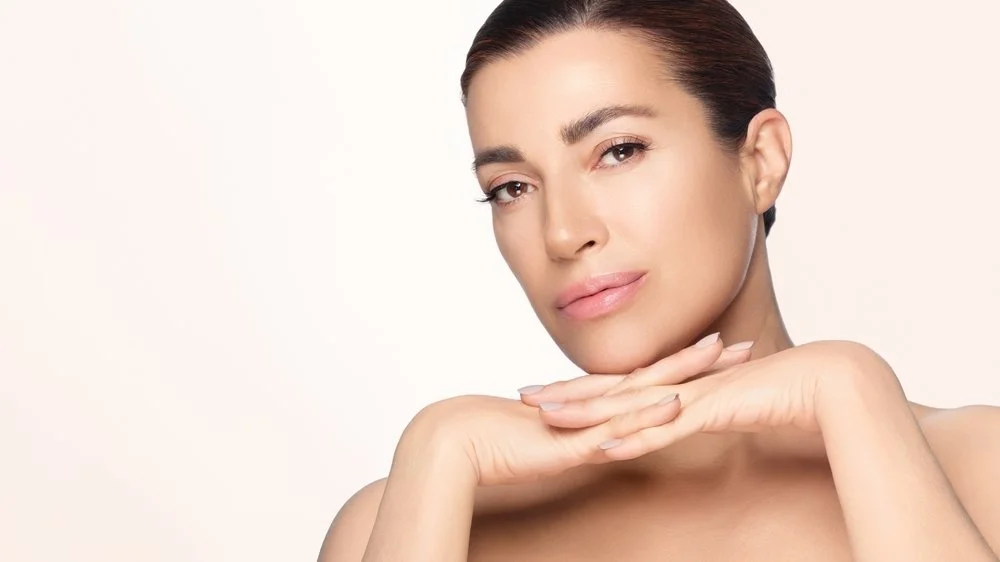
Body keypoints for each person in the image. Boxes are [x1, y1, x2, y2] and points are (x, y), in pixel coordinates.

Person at [320, 1, 1000, 560]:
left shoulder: (977, 470)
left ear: (760, 161)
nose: (562, 233)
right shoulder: (410, 512)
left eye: (618, 151)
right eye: (511, 187)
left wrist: (856, 394)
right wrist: (437, 448)